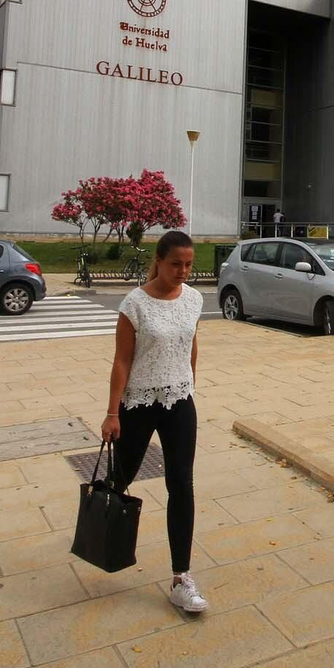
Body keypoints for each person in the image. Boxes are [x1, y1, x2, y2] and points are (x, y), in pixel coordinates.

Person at [101, 229, 209, 614]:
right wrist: (113, 412)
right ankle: (102, 538)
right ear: (159, 261)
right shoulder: (135, 304)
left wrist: (190, 383)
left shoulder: (194, 299)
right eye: (176, 264)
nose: (183, 271)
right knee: (120, 479)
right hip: (139, 402)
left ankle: (181, 577)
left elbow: (190, 345)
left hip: (179, 402)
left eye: (189, 265)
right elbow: (121, 361)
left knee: (182, 483)